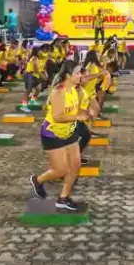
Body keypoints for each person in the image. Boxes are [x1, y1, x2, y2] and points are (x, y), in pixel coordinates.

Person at [29, 60, 87, 210]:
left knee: (75, 165)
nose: (81, 75)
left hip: (69, 132)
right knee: (61, 170)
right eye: (78, 73)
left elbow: (74, 110)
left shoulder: (75, 89)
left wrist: (83, 113)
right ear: (68, 75)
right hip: (52, 133)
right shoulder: (58, 91)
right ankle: (38, 180)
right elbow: (58, 117)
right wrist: (78, 117)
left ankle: (63, 198)